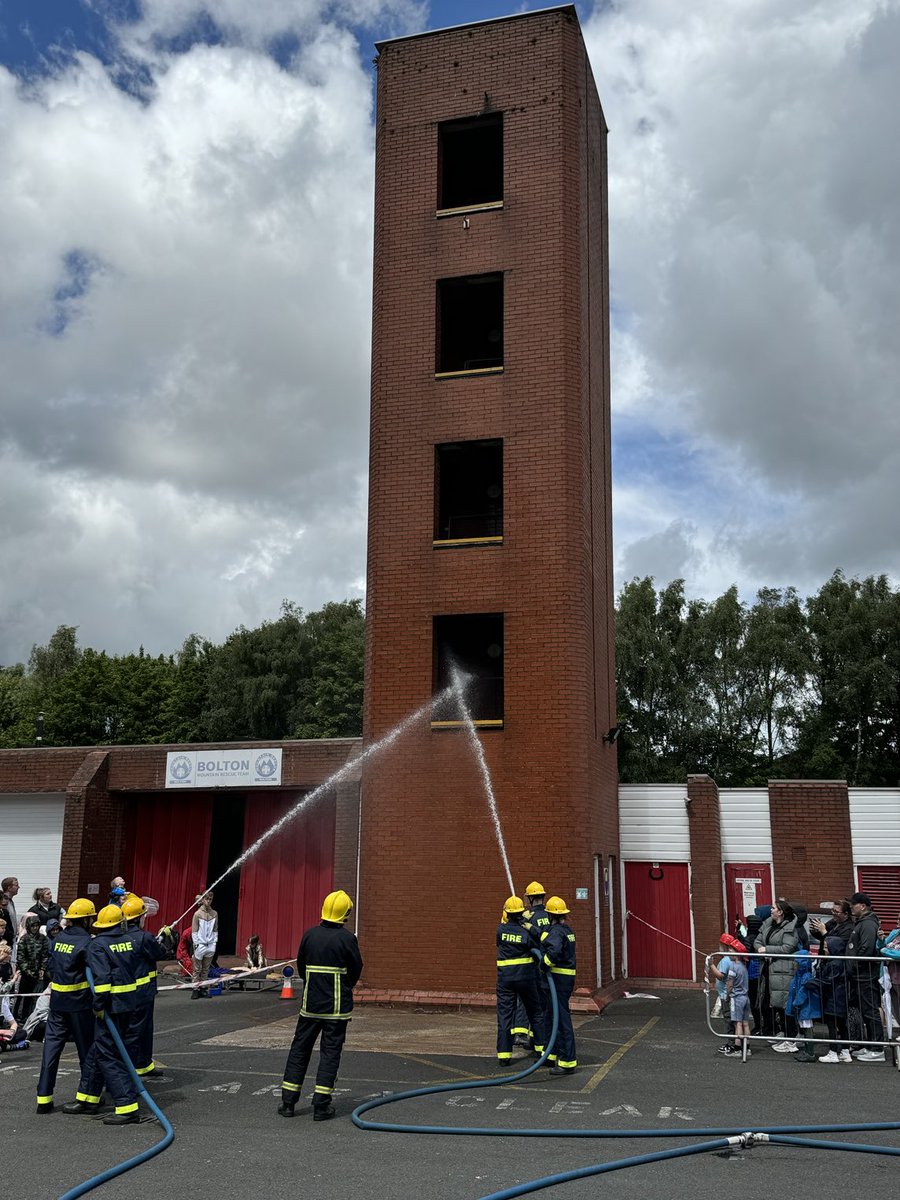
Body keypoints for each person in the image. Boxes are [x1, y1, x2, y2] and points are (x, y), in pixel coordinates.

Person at [278, 889, 363, 1121]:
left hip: (311, 1006)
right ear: (345, 914)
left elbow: (302, 968)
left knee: (299, 1050)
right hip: (336, 1010)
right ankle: (321, 1106)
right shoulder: (347, 939)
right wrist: (344, 987)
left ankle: (288, 1103)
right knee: (330, 1054)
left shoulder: (310, 935)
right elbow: (355, 969)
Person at [70, 904, 144, 1124]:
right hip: (129, 1004)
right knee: (97, 1051)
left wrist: (98, 1005)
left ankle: (127, 1105)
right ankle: (88, 1098)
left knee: (107, 1055)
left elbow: (102, 981)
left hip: (111, 1006)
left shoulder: (98, 945)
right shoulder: (129, 941)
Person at [35, 898, 97, 1115]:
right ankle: (87, 1096)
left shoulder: (58, 938)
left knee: (50, 1051)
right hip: (80, 1005)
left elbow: (51, 966)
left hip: (57, 1003)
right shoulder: (88, 943)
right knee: (86, 1051)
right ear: (87, 920)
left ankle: (43, 1098)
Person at [120, 894, 168, 1078]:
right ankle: (132, 1069)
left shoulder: (120, 937)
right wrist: (163, 938)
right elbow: (160, 953)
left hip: (125, 992)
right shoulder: (145, 937)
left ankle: (144, 1065)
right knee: (139, 1031)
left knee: (140, 1029)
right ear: (139, 917)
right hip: (142, 992)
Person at [495, 896, 546, 1066]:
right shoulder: (526, 932)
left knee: (505, 1016)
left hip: (505, 979)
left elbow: (500, 941)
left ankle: (504, 1055)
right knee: (535, 1012)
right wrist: (528, 924)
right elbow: (536, 944)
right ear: (521, 913)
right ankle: (541, 1049)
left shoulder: (500, 930)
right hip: (526, 978)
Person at [754, 899, 800, 1051]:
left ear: (781, 912)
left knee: (785, 1003)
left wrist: (767, 949)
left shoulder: (790, 927)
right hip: (769, 969)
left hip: (783, 970)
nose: (771, 910)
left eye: (773, 908)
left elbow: (788, 947)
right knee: (773, 1002)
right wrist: (760, 948)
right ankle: (783, 1033)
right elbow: (757, 941)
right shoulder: (768, 923)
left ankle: (791, 1038)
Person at [846, 892, 885, 1062]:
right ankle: (870, 1045)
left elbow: (867, 949)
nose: (851, 907)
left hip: (865, 975)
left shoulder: (868, 924)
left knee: (870, 1011)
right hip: (860, 974)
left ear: (862, 906)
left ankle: (877, 1048)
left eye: (853, 904)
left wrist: (855, 966)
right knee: (865, 1011)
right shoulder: (862, 923)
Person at [542, 895, 577, 1075]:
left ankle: (567, 1061)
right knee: (552, 1016)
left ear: (550, 915)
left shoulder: (556, 932)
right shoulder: (567, 930)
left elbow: (554, 951)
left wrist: (544, 963)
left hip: (558, 980)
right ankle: (551, 1054)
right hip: (565, 979)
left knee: (561, 1020)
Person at [714, 934, 751, 1057]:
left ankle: (737, 1049)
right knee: (745, 1023)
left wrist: (727, 996)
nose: (729, 951)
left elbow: (729, 984)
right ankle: (747, 1048)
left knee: (737, 1024)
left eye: (732, 950)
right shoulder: (743, 967)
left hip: (736, 998)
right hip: (745, 997)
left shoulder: (733, 967)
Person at [817, 932, 852, 1062]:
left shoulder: (834, 964)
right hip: (841, 998)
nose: (824, 950)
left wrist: (814, 983)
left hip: (833, 998)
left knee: (832, 1026)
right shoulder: (840, 962)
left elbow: (827, 981)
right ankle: (845, 1051)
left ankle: (833, 1052)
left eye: (826, 947)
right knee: (842, 1025)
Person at [785, 948, 822, 1062]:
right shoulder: (801, 975)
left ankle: (810, 1052)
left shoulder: (806, 976)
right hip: (803, 1007)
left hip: (806, 1007)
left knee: (807, 1028)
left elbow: (803, 992)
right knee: (805, 1027)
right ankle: (807, 1051)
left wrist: (796, 1003)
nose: (795, 965)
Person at [14, 914, 50, 1024]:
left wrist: (42, 969)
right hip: (26, 974)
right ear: (28, 926)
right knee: (20, 996)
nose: (35, 928)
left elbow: (45, 955)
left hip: (37, 973)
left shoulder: (43, 939)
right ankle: (15, 1016)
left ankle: (27, 1016)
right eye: (33, 926)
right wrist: (27, 971)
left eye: (37, 926)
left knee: (32, 997)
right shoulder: (24, 939)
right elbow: (20, 957)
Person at [191, 892, 218, 999]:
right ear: (202, 900)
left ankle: (203, 989)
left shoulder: (214, 913)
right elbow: (194, 930)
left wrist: (214, 943)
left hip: (210, 945)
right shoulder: (197, 914)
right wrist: (196, 944)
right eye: (207, 899)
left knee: (206, 969)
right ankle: (195, 989)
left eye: (210, 899)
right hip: (200, 944)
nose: (208, 901)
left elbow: (215, 929)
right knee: (197, 969)